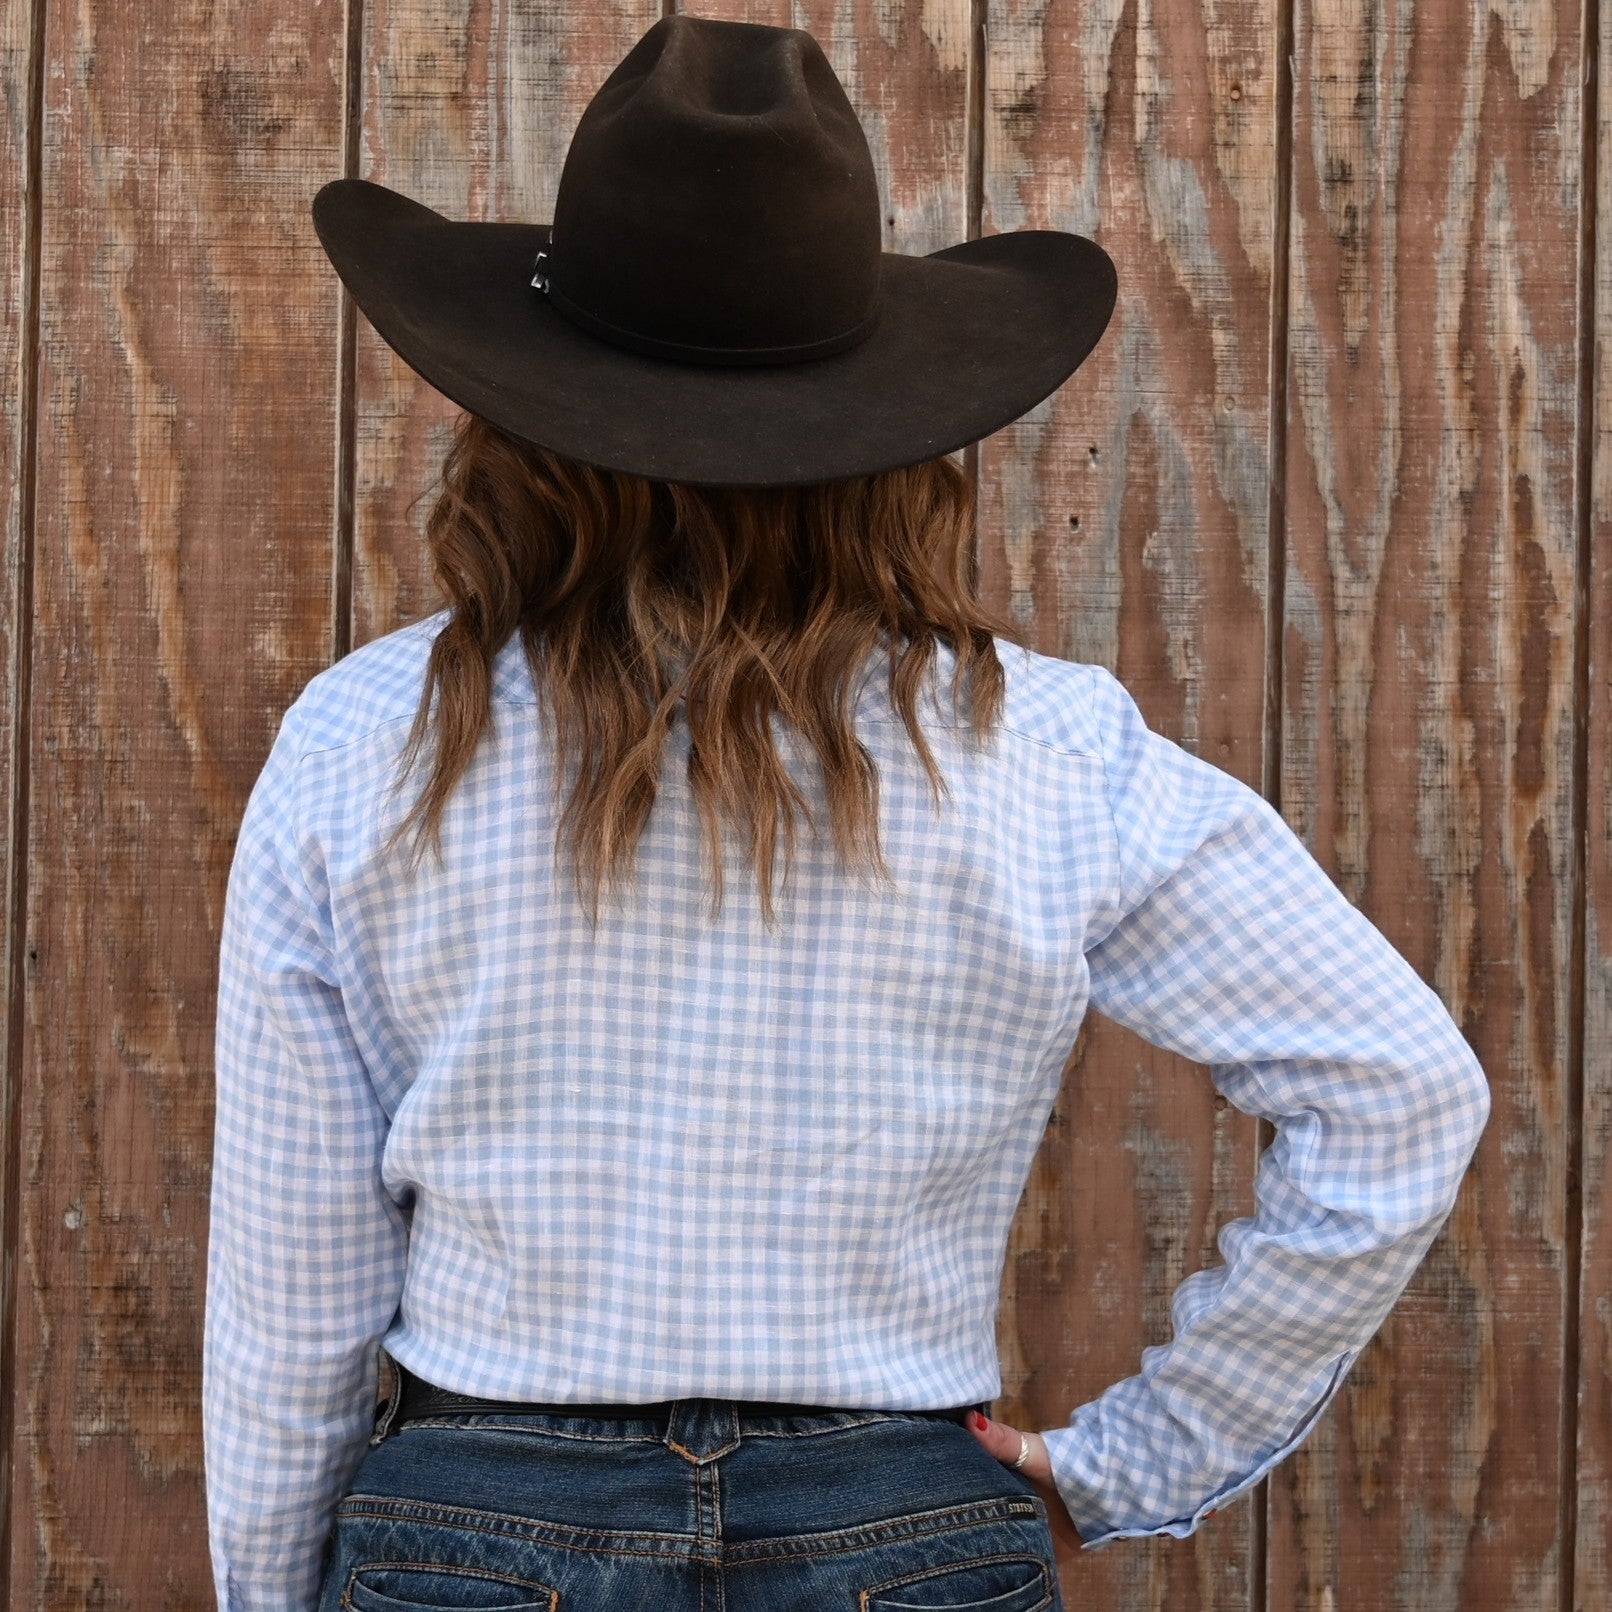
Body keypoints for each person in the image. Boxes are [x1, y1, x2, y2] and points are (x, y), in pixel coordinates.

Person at [201, 14, 1491, 1612]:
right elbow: (1400, 1093)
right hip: (907, 1530)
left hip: (474, 1530)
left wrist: (273, 1590)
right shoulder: (1051, 752)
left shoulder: (366, 741)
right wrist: (1131, 1465)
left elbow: (293, 1289)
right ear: (886, 436)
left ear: (523, 428)